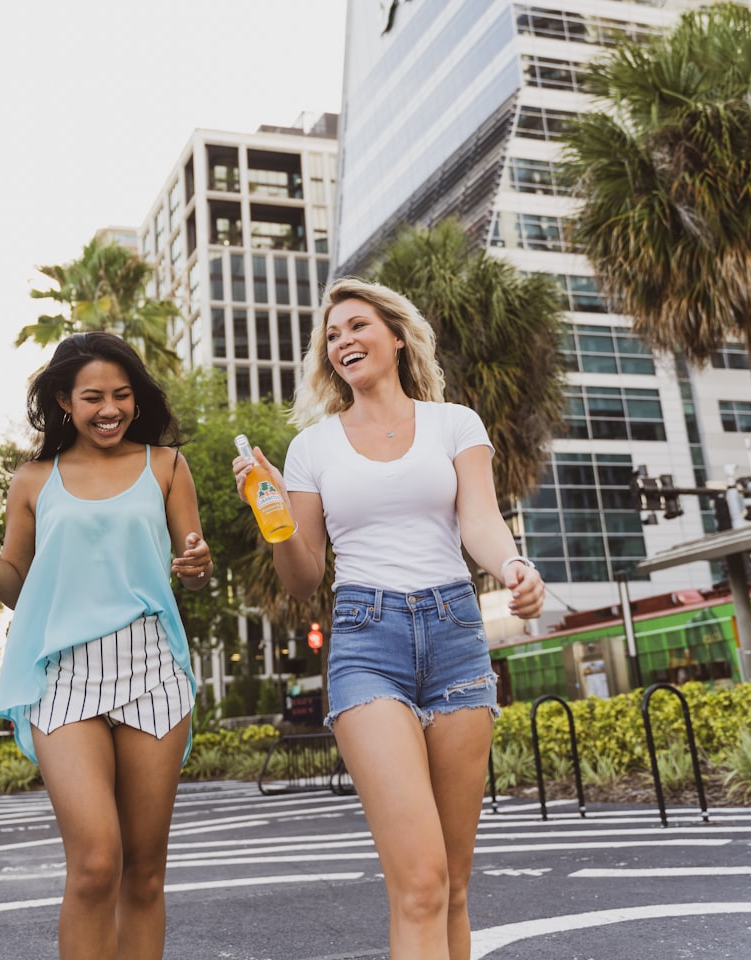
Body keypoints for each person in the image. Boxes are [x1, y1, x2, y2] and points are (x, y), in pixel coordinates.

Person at [232, 277, 544, 960]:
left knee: (454, 886)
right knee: (421, 883)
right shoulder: (312, 447)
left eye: (355, 326)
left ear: (396, 335)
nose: (342, 341)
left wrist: (515, 566)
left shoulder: (453, 423)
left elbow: (480, 522)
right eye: (332, 336)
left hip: (457, 635)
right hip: (367, 641)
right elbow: (305, 575)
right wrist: (275, 519)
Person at [0, 331, 211, 960]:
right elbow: (19, 589)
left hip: (152, 667)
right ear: (62, 402)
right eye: (93, 397)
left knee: (146, 872)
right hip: (64, 678)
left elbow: (193, 559)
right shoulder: (32, 480)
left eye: (123, 396)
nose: (110, 409)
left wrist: (198, 565)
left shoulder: (167, 466)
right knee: (95, 864)